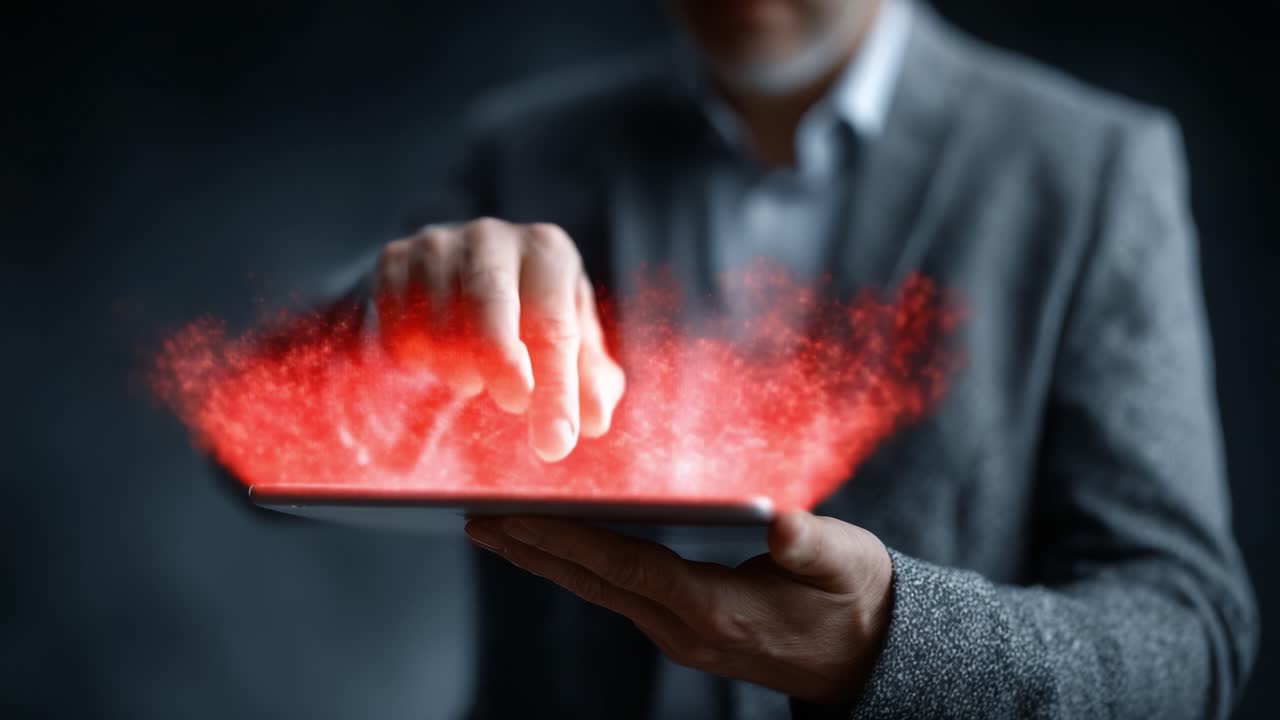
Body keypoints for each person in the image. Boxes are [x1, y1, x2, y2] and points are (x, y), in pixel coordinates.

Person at [365, 0, 1258, 717]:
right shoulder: (522, 149)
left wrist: (893, 643)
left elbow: (1189, 632)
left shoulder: (1090, 166)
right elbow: (245, 438)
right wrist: (382, 322)